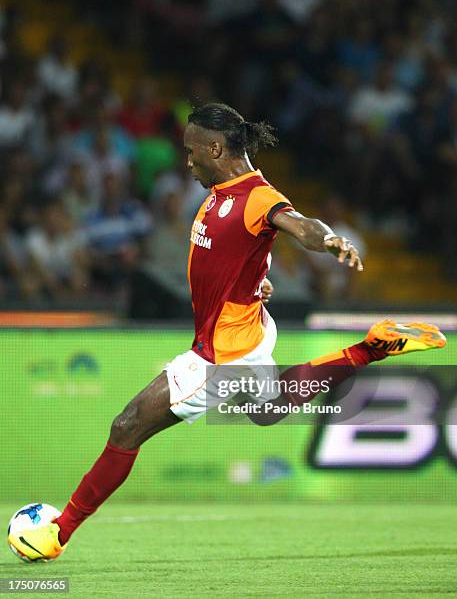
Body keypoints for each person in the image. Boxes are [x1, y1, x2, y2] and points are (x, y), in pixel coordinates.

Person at [10, 103, 446, 560]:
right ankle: (369, 348)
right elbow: (239, 251)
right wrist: (257, 277)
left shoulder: (256, 194)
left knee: (127, 426)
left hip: (222, 351)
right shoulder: (219, 190)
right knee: (266, 409)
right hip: (250, 328)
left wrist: (330, 240)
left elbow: (299, 225)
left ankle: (58, 533)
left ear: (215, 148)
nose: (187, 160)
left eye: (192, 151)